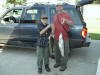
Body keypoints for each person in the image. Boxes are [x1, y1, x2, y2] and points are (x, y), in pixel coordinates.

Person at [53, 4, 74, 71]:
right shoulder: (55, 16)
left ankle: (63, 65)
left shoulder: (66, 15)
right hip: (56, 37)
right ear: (56, 9)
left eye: (59, 7)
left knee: (65, 52)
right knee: (56, 51)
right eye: (57, 7)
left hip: (64, 37)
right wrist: (52, 32)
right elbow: (54, 25)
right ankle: (57, 63)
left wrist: (65, 20)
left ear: (62, 8)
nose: (58, 8)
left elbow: (71, 23)